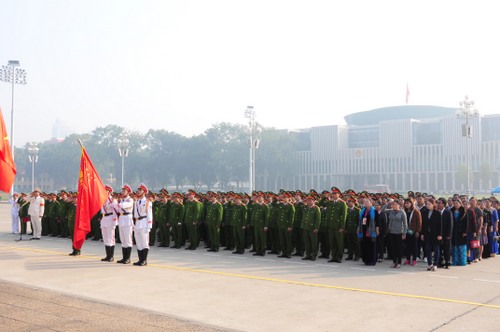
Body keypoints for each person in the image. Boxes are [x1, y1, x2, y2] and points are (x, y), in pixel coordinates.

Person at [133, 184, 153, 266]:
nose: (138, 191)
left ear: (144, 192)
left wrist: (149, 226)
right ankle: (140, 259)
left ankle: (144, 260)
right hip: (137, 223)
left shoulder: (147, 202)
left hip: (144, 223)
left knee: (144, 242)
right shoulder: (137, 202)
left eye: (140, 190)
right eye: (138, 190)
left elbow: (149, 215)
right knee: (138, 242)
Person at [326, 187, 347, 263]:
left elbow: (343, 216)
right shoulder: (330, 203)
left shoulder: (342, 204)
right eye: (333, 194)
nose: (333, 195)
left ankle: (339, 257)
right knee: (332, 242)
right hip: (331, 226)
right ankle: (333, 256)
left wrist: (342, 227)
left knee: (339, 242)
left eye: (335, 194)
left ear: (339, 194)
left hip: (338, 227)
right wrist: (327, 197)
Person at [115, 184, 134, 264]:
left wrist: (117, 204)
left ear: (128, 192)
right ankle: (124, 257)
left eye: (124, 191)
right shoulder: (122, 200)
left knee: (128, 239)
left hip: (127, 219)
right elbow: (118, 209)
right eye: (122, 191)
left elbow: (125, 206)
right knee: (123, 239)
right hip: (122, 219)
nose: (122, 192)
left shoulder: (130, 200)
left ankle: (128, 258)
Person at [421, 198, 441, 271]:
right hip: (427, 234)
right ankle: (430, 264)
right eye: (427, 204)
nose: (428, 205)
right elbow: (423, 224)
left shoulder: (437, 213)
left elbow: (440, 225)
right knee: (427, 249)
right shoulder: (424, 212)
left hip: (435, 234)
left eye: (429, 204)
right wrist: (422, 234)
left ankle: (435, 264)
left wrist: (440, 234)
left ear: (433, 204)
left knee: (436, 249)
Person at [387, 200, 408, 268]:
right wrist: (389, 203)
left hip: (399, 232)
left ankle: (399, 262)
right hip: (391, 232)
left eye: (396, 204)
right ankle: (394, 262)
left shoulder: (402, 212)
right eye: (393, 205)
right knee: (393, 248)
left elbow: (405, 224)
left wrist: (404, 233)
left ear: (399, 205)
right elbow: (383, 210)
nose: (394, 206)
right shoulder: (390, 211)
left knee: (398, 248)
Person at [358, 198, 379, 266]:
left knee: (371, 245)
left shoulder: (374, 211)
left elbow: (377, 221)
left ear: (371, 203)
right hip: (363, 229)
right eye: (365, 202)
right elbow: (360, 221)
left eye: (367, 202)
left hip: (371, 230)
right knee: (364, 245)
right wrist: (358, 227)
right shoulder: (363, 211)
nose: (366, 203)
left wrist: (377, 229)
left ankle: (372, 260)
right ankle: (366, 260)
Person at [100, 185, 118, 262]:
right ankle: (107, 255)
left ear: (109, 192)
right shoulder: (103, 200)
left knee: (111, 238)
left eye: (105, 191)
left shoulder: (113, 200)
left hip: (110, 218)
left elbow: (115, 211)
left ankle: (111, 256)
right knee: (105, 238)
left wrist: (115, 221)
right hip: (104, 219)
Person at [301, 195, 321, 261]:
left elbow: (318, 219)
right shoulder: (305, 207)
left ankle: (314, 255)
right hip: (305, 227)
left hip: (312, 228)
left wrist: (316, 228)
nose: (309, 202)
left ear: (314, 201)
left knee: (314, 242)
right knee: (307, 242)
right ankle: (308, 254)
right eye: (308, 200)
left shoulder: (316, 208)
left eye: (310, 200)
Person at [403, 198, 422, 266]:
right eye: (405, 203)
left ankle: (414, 260)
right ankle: (408, 259)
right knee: (407, 246)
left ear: (411, 203)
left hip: (413, 231)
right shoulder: (404, 211)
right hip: (406, 231)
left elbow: (419, 222)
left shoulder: (416, 211)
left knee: (414, 246)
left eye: (408, 203)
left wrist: (417, 231)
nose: (406, 204)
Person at [436, 197, 453, 268]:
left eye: (439, 203)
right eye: (437, 203)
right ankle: (439, 262)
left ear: (443, 204)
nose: (438, 204)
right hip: (438, 234)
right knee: (438, 249)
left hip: (446, 234)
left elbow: (450, 224)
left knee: (446, 249)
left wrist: (449, 234)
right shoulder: (436, 212)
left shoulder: (448, 213)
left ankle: (447, 262)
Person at [450, 199, 467, 266]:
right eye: (454, 203)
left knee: (462, 247)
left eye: (457, 203)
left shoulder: (464, 212)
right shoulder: (451, 211)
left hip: (461, 232)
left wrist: (464, 231)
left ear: (460, 204)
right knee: (454, 247)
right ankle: (455, 261)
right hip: (454, 231)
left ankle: (462, 262)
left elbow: (466, 223)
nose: (456, 205)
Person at [344, 196, 361, 261]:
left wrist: (358, 228)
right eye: (348, 201)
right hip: (348, 229)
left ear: (353, 202)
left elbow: (359, 220)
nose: (348, 203)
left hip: (355, 229)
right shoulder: (347, 210)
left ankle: (357, 256)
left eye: (349, 201)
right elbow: (346, 220)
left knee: (356, 243)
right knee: (349, 243)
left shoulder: (357, 210)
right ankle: (350, 256)